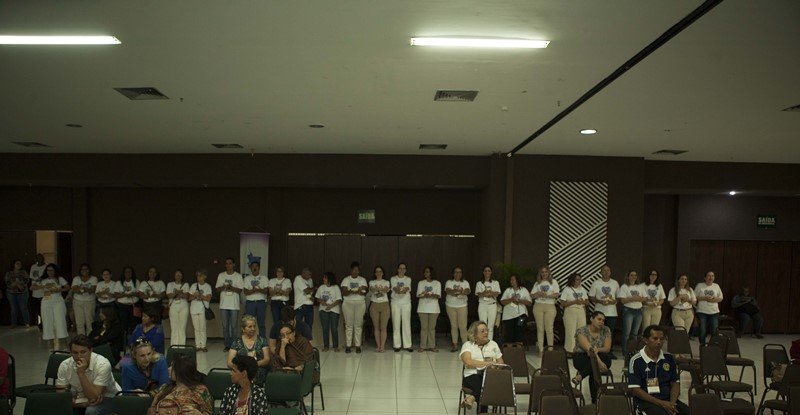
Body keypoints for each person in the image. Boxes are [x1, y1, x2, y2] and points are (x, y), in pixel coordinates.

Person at [627, 325, 689, 415]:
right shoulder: (636, 360)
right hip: (647, 402)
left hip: (669, 401)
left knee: (689, 412)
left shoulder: (668, 358)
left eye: (662, 339)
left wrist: (672, 404)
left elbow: (675, 383)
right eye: (655, 338)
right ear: (645, 340)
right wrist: (662, 403)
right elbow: (635, 389)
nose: (659, 342)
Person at [56, 334, 122, 415]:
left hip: (108, 397)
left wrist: (81, 373)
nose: (79, 356)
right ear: (70, 353)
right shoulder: (65, 365)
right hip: (80, 398)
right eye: (75, 353)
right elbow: (61, 395)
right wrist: (76, 404)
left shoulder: (103, 364)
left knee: (91, 411)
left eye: (83, 352)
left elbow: (94, 398)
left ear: (91, 350)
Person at [459, 321, 505, 410]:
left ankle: (471, 398)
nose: (486, 333)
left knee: (487, 383)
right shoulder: (468, 345)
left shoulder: (493, 344)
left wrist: (496, 366)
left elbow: (501, 363)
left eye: (486, 330)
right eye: (482, 331)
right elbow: (468, 362)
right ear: (475, 334)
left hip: (490, 375)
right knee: (484, 386)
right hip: (472, 375)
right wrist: (488, 364)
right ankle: (482, 411)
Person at [148, 354, 213, 415]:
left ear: (181, 371)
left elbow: (208, 412)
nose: (168, 369)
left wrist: (199, 414)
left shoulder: (200, 390)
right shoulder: (165, 387)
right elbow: (152, 408)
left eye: (172, 367)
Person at [572, 311, 614, 404]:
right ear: (591, 319)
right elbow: (589, 349)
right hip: (582, 357)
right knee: (595, 369)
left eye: (603, 320)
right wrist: (599, 362)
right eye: (599, 319)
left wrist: (598, 350)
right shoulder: (581, 331)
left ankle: (581, 376)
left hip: (599, 356)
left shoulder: (606, 330)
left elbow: (607, 348)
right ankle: (596, 402)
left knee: (600, 362)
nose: (601, 322)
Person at [227, 315, 270, 386]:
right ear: (243, 329)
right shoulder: (236, 342)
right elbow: (229, 362)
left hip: (258, 371)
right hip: (241, 372)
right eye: (250, 327)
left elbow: (266, 360)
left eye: (254, 326)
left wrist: (251, 365)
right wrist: (241, 368)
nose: (253, 329)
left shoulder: (262, 340)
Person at [38, 263, 70, 351]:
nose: (50, 272)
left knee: (60, 321)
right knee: (47, 321)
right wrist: (44, 286)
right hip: (46, 301)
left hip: (58, 300)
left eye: (52, 270)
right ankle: (51, 342)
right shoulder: (42, 279)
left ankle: (63, 341)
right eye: (48, 270)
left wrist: (59, 289)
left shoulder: (59, 278)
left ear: (55, 271)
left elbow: (67, 287)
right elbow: (32, 287)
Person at [215, 257, 243, 352]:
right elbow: (217, 289)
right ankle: (227, 345)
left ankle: (234, 345)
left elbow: (240, 290)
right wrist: (224, 287)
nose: (228, 265)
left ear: (234, 264)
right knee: (225, 326)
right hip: (224, 305)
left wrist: (231, 287)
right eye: (226, 263)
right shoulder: (221, 275)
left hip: (234, 305)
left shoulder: (238, 276)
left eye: (230, 263)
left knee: (234, 327)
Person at [340, 262, 368, 353]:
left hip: (360, 303)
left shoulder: (362, 279)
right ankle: (348, 345)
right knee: (348, 325)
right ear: (351, 270)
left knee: (358, 324)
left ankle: (357, 345)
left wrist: (357, 291)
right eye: (354, 270)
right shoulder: (346, 280)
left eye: (358, 270)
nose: (356, 272)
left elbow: (364, 292)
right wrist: (353, 291)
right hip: (348, 303)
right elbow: (344, 292)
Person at [560, 273, 589, 357]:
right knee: (571, 332)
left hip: (581, 311)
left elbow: (587, 302)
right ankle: (570, 351)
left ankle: (580, 350)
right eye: (577, 279)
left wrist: (582, 301)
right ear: (572, 280)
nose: (579, 281)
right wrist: (574, 302)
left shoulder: (582, 289)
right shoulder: (567, 289)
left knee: (581, 331)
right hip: (570, 311)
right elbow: (562, 303)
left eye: (580, 279)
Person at [531, 265, 560, 353]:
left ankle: (550, 349)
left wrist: (547, 295)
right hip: (538, 305)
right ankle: (541, 350)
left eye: (546, 272)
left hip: (550, 306)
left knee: (549, 328)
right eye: (542, 272)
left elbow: (557, 294)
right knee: (540, 328)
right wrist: (538, 294)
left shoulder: (553, 282)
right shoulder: (537, 283)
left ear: (549, 273)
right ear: (540, 273)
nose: (544, 274)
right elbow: (532, 295)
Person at [589, 264, 619, 345]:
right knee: (597, 332)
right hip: (599, 313)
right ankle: (597, 348)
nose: (606, 272)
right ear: (601, 272)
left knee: (609, 333)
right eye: (604, 270)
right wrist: (600, 301)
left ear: (610, 272)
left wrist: (613, 301)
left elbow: (618, 297)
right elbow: (591, 297)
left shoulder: (615, 283)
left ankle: (608, 349)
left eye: (608, 270)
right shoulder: (596, 283)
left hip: (612, 313)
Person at [618, 270, 645, 355]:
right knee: (626, 333)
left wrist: (638, 299)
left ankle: (633, 351)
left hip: (638, 311)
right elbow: (622, 300)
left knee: (635, 333)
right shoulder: (624, 286)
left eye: (635, 275)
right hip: (628, 310)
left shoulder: (640, 286)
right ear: (628, 276)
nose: (633, 277)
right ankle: (625, 351)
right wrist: (632, 299)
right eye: (631, 275)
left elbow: (644, 298)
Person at [445, 266, 471, 352]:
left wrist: (459, 291)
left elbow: (467, 291)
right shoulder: (449, 282)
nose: (458, 274)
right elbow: (449, 291)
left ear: (462, 274)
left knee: (463, 326)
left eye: (459, 272)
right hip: (450, 306)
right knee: (454, 326)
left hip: (462, 306)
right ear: (453, 273)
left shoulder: (465, 282)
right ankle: (455, 345)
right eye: (456, 272)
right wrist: (460, 291)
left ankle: (465, 345)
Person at [500, 274, 532, 344]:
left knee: (519, 331)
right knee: (509, 333)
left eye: (513, 280)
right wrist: (511, 299)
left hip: (521, 316)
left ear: (517, 280)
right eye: (510, 280)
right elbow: (502, 302)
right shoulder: (508, 290)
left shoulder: (524, 290)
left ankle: (518, 348)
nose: (511, 281)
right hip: (508, 316)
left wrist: (520, 301)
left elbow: (529, 303)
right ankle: (510, 349)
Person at [417, 266, 442, 352]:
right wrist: (424, 294)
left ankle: (432, 346)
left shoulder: (437, 283)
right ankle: (422, 346)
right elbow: (418, 295)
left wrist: (430, 295)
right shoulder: (421, 283)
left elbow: (438, 295)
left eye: (427, 272)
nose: (425, 273)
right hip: (422, 308)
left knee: (431, 328)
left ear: (431, 273)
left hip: (434, 309)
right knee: (424, 328)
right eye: (425, 272)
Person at [694, 271, 723, 345]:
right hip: (702, 311)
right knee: (702, 331)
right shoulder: (700, 285)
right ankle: (703, 346)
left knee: (714, 331)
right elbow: (694, 297)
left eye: (712, 276)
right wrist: (704, 298)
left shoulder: (716, 286)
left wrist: (713, 299)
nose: (711, 277)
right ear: (705, 278)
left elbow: (721, 298)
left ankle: (712, 347)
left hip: (714, 312)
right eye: (709, 276)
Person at [316, 271, 342, 352]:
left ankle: (335, 346)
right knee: (325, 329)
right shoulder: (321, 287)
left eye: (325, 278)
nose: (323, 279)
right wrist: (322, 302)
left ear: (330, 279)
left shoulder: (336, 287)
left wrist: (330, 306)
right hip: (323, 311)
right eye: (323, 277)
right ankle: (326, 346)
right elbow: (317, 298)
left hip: (334, 310)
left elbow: (339, 299)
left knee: (334, 329)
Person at [390, 263, 414, 351]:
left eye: (404, 268)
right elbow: (394, 288)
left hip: (406, 303)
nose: (402, 270)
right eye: (400, 268)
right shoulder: (393, 278)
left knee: (406, 324)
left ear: (405, 270)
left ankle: (407, 345)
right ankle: (397, 345)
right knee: (396, 323)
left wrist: (402, 291)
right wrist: (400, 291)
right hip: (395, 302)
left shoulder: (408, 279)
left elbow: (407, 288)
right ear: (397, 269)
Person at [475, 265, 501, 340]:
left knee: (490, 326)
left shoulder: (495, 282)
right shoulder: (479, 283)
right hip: (482, 305)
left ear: (491, 272)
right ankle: (483, 342)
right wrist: (485, 293)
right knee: (482, 325)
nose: (487, 272)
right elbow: (478, 294)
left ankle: (489, 342)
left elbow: (497, 293)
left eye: (489, 271)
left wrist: (489, 293)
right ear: (483, 272)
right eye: (485, 271)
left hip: (492, 305)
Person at [369, 265, 391, 352]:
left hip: (384, 305)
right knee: (376, 327)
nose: (378, 273)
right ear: (375, 273)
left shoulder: (386, 282)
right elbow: (372, 289)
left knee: (383, 327)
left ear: (383, 273)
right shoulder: (371, 282)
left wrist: (378, 289)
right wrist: (379, 289)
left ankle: (382, 346)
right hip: (374, 305)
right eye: (377, 271)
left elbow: (386, 290)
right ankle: (378, 346)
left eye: (380, 271)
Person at [243, 261, 269, 336]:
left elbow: (266, 291)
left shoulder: (264, 278)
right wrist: (253, 290)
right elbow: (245, 292)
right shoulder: (247, 278)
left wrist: (259, 290)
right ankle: (250, 340)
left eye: (256, 266)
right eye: (253, 266)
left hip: (261, 303)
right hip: (250, 303)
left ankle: (262, 340)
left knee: (261, 323)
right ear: (250, 268)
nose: (254, 268)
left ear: (259, 268)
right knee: (249, 323)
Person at [189, 270, 212, 352]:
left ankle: (203, 345)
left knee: (202, 328)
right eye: (197, 276)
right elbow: (189, 298)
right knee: (196, 328)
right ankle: (197, 345)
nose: (198, 277)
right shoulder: (193, 286)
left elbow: (208, 298)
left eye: (200, 276)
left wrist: (200, 295)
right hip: (194, 309)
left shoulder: (207, 286)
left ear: (204, 277)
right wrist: (194, 296)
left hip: (202, 309)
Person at [71, 263, 98, 335]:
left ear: (89, 270)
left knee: (90, 321)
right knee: (79, 321)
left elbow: (93, 289)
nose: (84, 270)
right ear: (80, 270)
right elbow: (74, 289)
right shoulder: (76, 278)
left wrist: (81, 289)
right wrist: (87, 289)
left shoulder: (94, 278)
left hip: (90, 302)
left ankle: (90, 337)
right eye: (82, 269)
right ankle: (81, 338)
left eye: (86, 269)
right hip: (77, 302)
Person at [166, 269, 190, 347]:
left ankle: (182, 345)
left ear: (182, 276)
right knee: (174, 327)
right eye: (177, 275)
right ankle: (174, 345)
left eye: (180, 275)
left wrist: (177, 293)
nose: (178, 276)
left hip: (183, 306)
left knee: (182, 327)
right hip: (173, 305)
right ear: (174, 276)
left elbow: (187, 296)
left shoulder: (186, 284)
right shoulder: (170, 284)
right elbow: (169, 295)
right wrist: (178, 293)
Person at [5, 259, 30, 328]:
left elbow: (27, 280)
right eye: (17, 264)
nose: (19, 265)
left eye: (20, 264)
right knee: (13, 308)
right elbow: (7, 282)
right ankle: (13, 323)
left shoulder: (23, 272)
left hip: (23, 292)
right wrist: (15, 284)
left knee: (24, 308)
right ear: (14, 264)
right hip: (11, 293)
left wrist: (19, 284)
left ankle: (27, 323)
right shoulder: (9, 273)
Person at [116, 266, 139, 334]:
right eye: (126, 272)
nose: (128, 273)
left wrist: (132, 294)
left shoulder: (136, 281)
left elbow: (139, 294)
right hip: (122, 306)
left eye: (129, 272)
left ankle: (133, 338)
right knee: (123, 324)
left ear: (132, 273)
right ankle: (124, 339)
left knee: (134, 324)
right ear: (123, 273)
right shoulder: (119, 282)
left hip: (134, 306)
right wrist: (126, 295)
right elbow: (116, 295)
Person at [29, 253, 47, 329]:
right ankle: (38, 322)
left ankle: (43, 324)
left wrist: (40, 280)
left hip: (43, 292)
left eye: (41, 258)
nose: (39, 260)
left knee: (43, 309)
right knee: (36, 309)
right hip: (35, 291)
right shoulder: (33, 267)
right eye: (38, 258)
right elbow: (31, 277)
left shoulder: (46, 266)